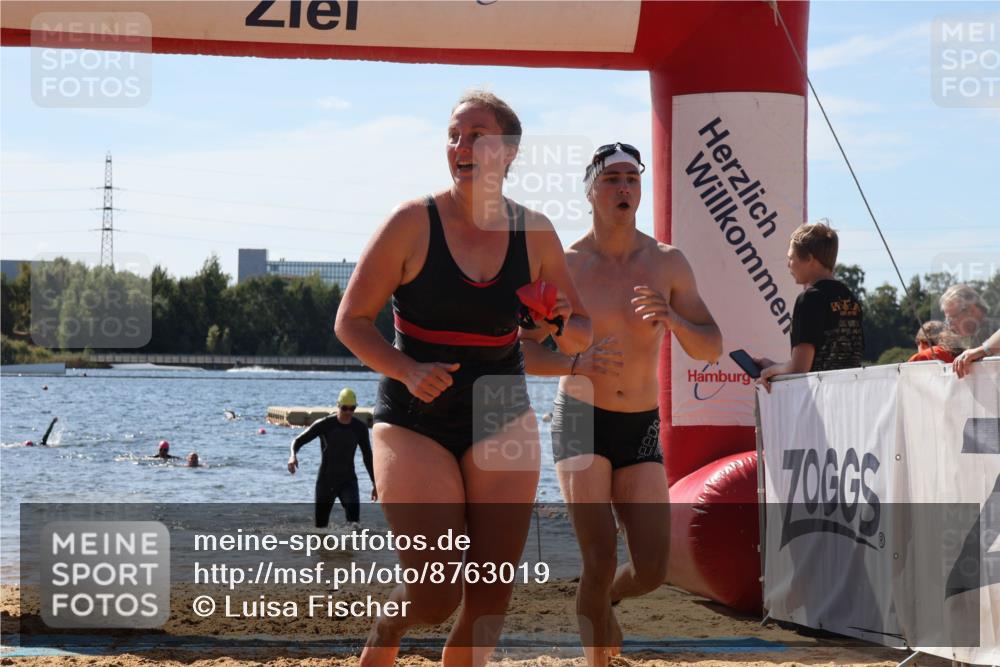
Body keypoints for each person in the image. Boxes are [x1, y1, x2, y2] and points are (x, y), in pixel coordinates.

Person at [334, 90, 591, 667]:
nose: (461, 147)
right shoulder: (410, 223)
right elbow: (349, 322)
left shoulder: (536, 234)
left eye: (476, 135)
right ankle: (386, 632)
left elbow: (580, 336)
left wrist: (559, 322)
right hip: (414, 415)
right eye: (454, 136)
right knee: (434, 593)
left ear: (509, 151)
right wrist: (405, 367)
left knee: (490, 599)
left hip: (502, 406)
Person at [520, 142, 722, 667]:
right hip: (580, 419)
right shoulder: (565, 266)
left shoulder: (666, 261)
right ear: (590, 191)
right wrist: (571, 366)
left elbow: (712, 345)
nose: (624, 187)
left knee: (653, 567)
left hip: (641, 425)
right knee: (600, 553)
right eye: (612, 178)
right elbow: (517, 350)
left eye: (632, 178)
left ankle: (607, 600)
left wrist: (674, 321)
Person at [757, 222, 864, 391]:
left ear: (809, 259)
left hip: (819, 400)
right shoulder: (851, 299)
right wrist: (774, 366)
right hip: (849, 396)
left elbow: (800, 368)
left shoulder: (809, 299)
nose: (788, 264)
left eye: (791, 258)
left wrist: (768, 371)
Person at [287, 388, 375, 530]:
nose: (348, 412)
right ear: (338, 405)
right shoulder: (325, 424)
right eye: (344, 408)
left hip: (348, 481)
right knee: (320, 529)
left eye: (352, 408)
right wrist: (293, 456)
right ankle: (325, 552)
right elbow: (298, 441)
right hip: (326, 482)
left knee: (355, 527)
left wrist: (375, 483)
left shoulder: (359, 428)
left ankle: (350, 552)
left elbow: (367, 457)